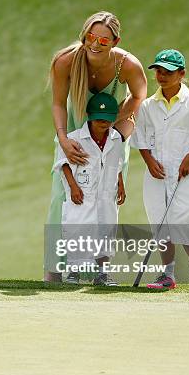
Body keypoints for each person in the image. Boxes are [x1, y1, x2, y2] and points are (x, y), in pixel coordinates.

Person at [46, 11, 147, 282]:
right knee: (63, 201)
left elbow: (139, 95)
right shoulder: (65, 61)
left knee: (105, 203)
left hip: (109, 141)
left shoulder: (127, 64)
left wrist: (114, 124)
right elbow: (58, 103)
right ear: (84, 35)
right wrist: (64, 140)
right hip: (73, 138)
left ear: (115, 41)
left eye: (104, 40)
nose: (95, 44)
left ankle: (99, 271)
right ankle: (56, 272)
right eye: (91, 37)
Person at [130, 49, 189, 289]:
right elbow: (142, 138)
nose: (161, 76)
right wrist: (148, 161)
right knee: (160, 221)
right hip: (156, 173)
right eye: (158, 71)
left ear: (181, 73)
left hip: (185, 173)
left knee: (185, 219)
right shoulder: (147, 106)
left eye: (167, 72)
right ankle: (167, 275)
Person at [53, 93, 126, 285]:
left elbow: (117, 162)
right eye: (99, 119)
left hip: (106, 193)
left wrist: (120, 182)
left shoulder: (116, 138)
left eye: (107, 119)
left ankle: (103, 274)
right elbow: (62, 164)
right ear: (90, 116)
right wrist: (73, 186)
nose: (103, 123)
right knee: (78, 231)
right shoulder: (74, 138)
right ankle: (73, 273)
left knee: (106, 231)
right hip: (81, 194)